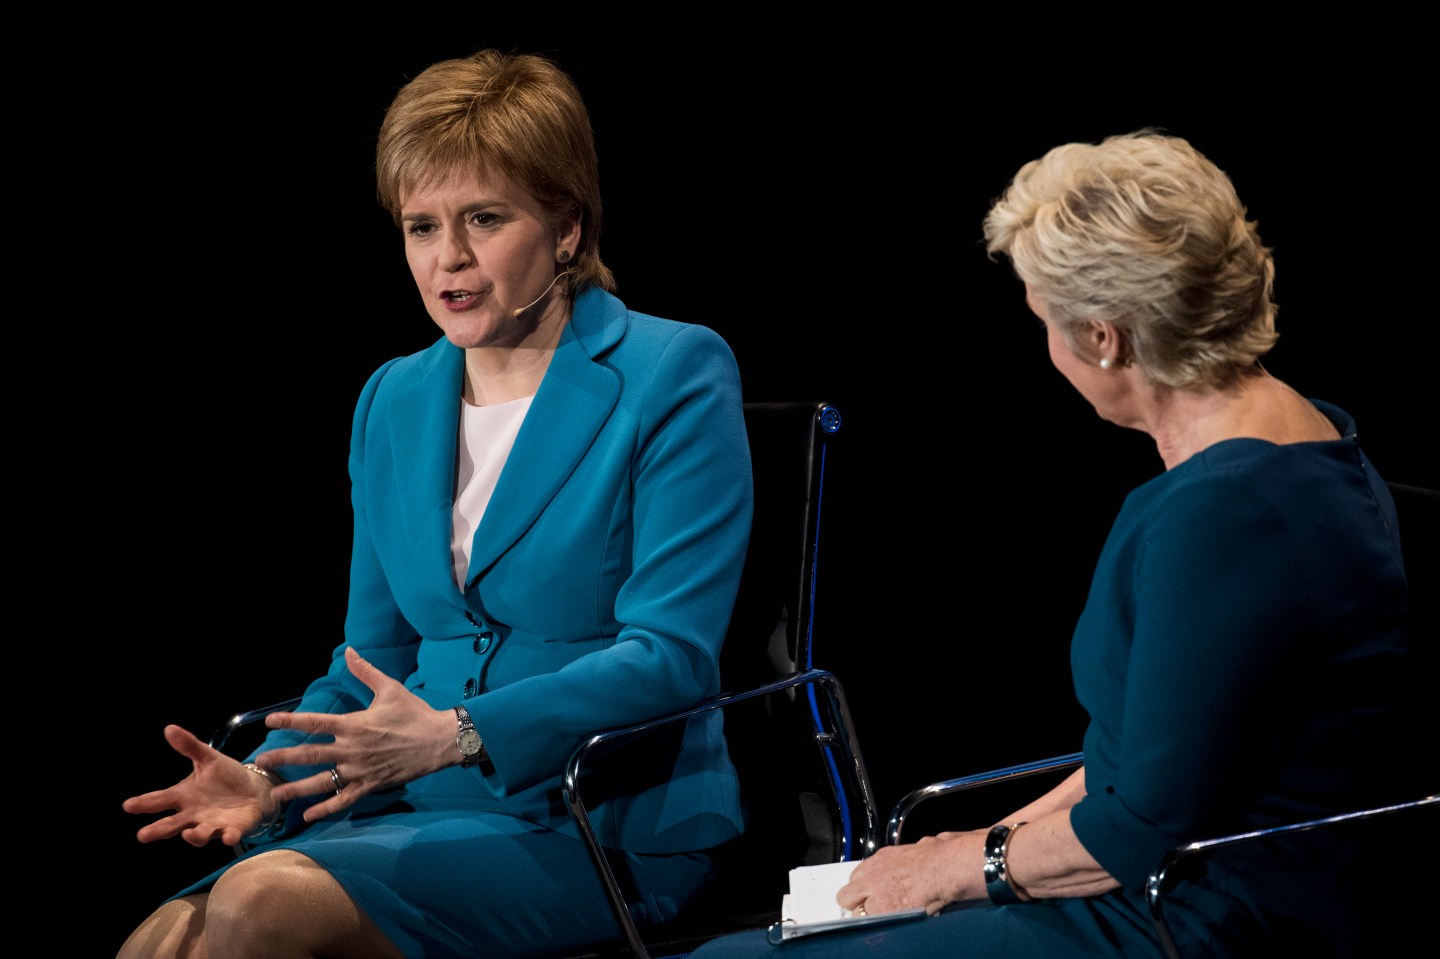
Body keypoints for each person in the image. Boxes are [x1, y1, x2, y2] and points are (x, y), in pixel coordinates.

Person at [689, 131, 1416, 958]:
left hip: (1189, 912)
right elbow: (1156, 754)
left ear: (1104, 337)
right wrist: (982, 838)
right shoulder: (1312, 438)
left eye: (1043, 319)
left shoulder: (1222, 515)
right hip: (1183, 873)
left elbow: (1142, 822)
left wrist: (961, 865)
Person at [119, 49, 753, 959]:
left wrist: (460, 734)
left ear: (566, 226)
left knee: (260, 909)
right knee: (161, 938)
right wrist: (271, 781)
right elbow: (372, 659)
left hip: (601, 818)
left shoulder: (672, 372)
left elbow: (671, 658)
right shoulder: (394, 398)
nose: (447, 258)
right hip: (413, 809)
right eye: (422, 226)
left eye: (483, 219)